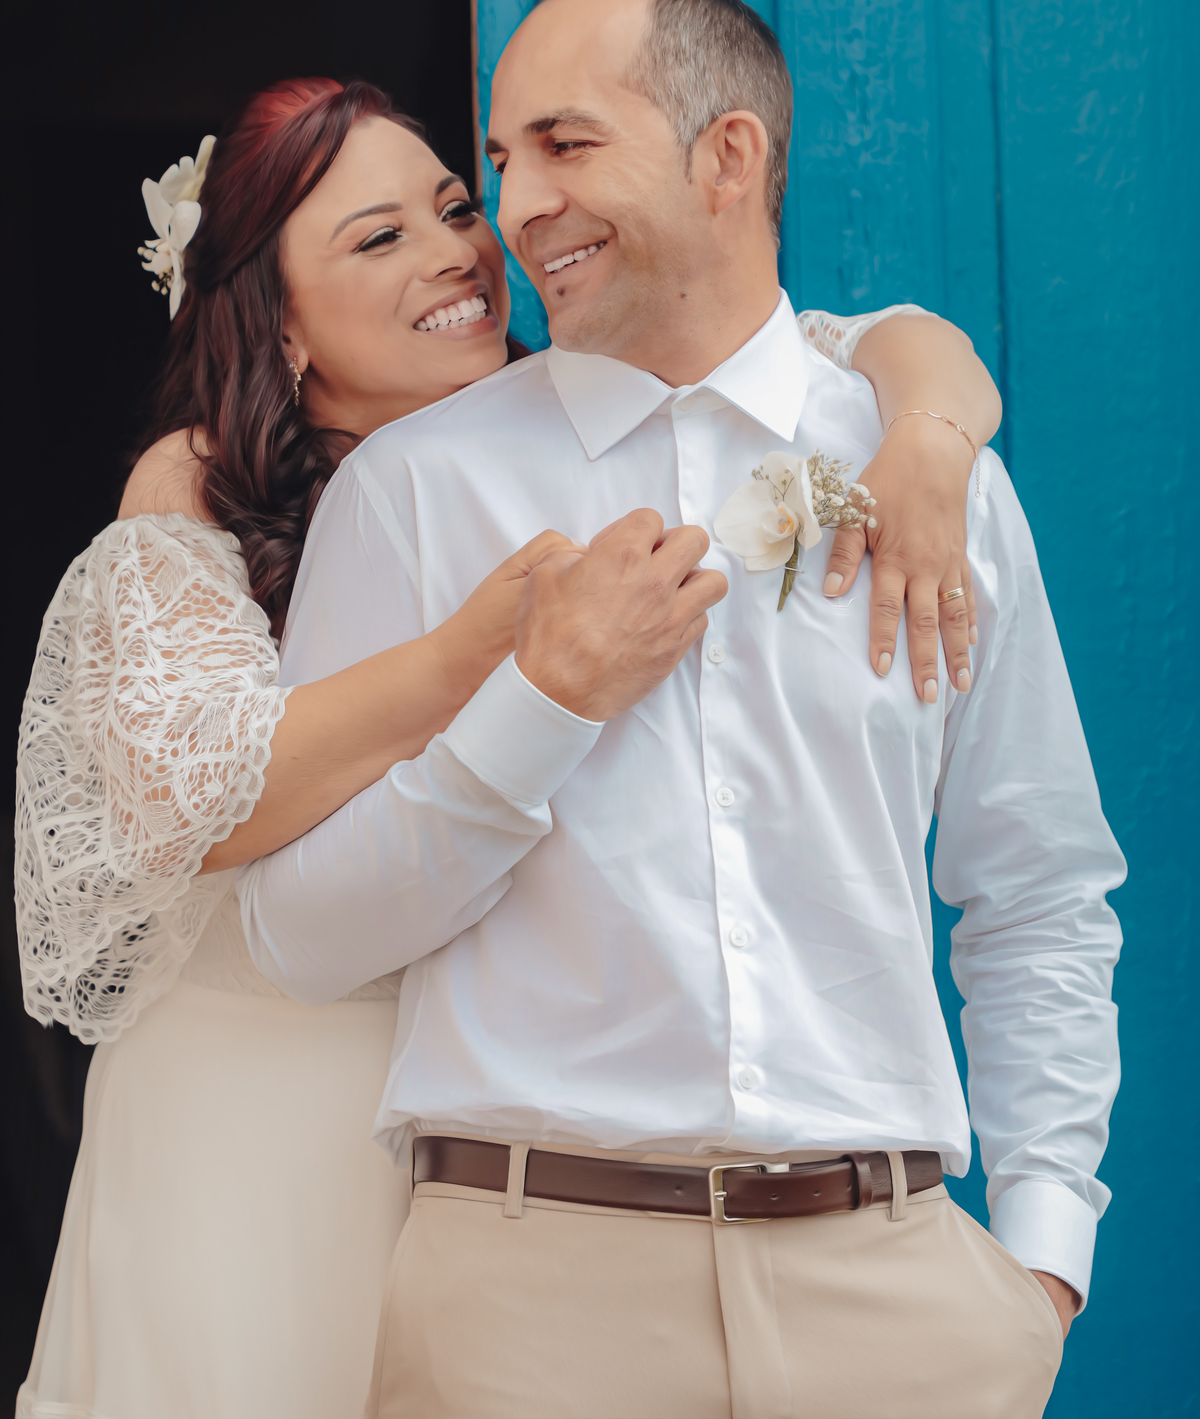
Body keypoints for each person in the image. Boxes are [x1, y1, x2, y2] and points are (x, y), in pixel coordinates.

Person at [15, 74, 1000, 1419]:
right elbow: (194, 805)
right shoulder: (205, 481)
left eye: (453, 209)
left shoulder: (591, 412)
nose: (457, 255)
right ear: (277, 321)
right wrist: (489, 652)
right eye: (381, 238)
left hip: (522, 1147)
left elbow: (864, 344)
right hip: (269, 1107)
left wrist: (929, 431)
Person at [239, 0, 1126, 1419]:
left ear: (729, 155)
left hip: (902, 1305)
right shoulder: (412, 492)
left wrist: (1041, 1263)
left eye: (565, 144)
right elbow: (300, 939)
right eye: (504, 160)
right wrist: (541, 706)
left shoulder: (930, 471)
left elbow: (1037, 890)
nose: (517, 207)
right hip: (529, 1312)